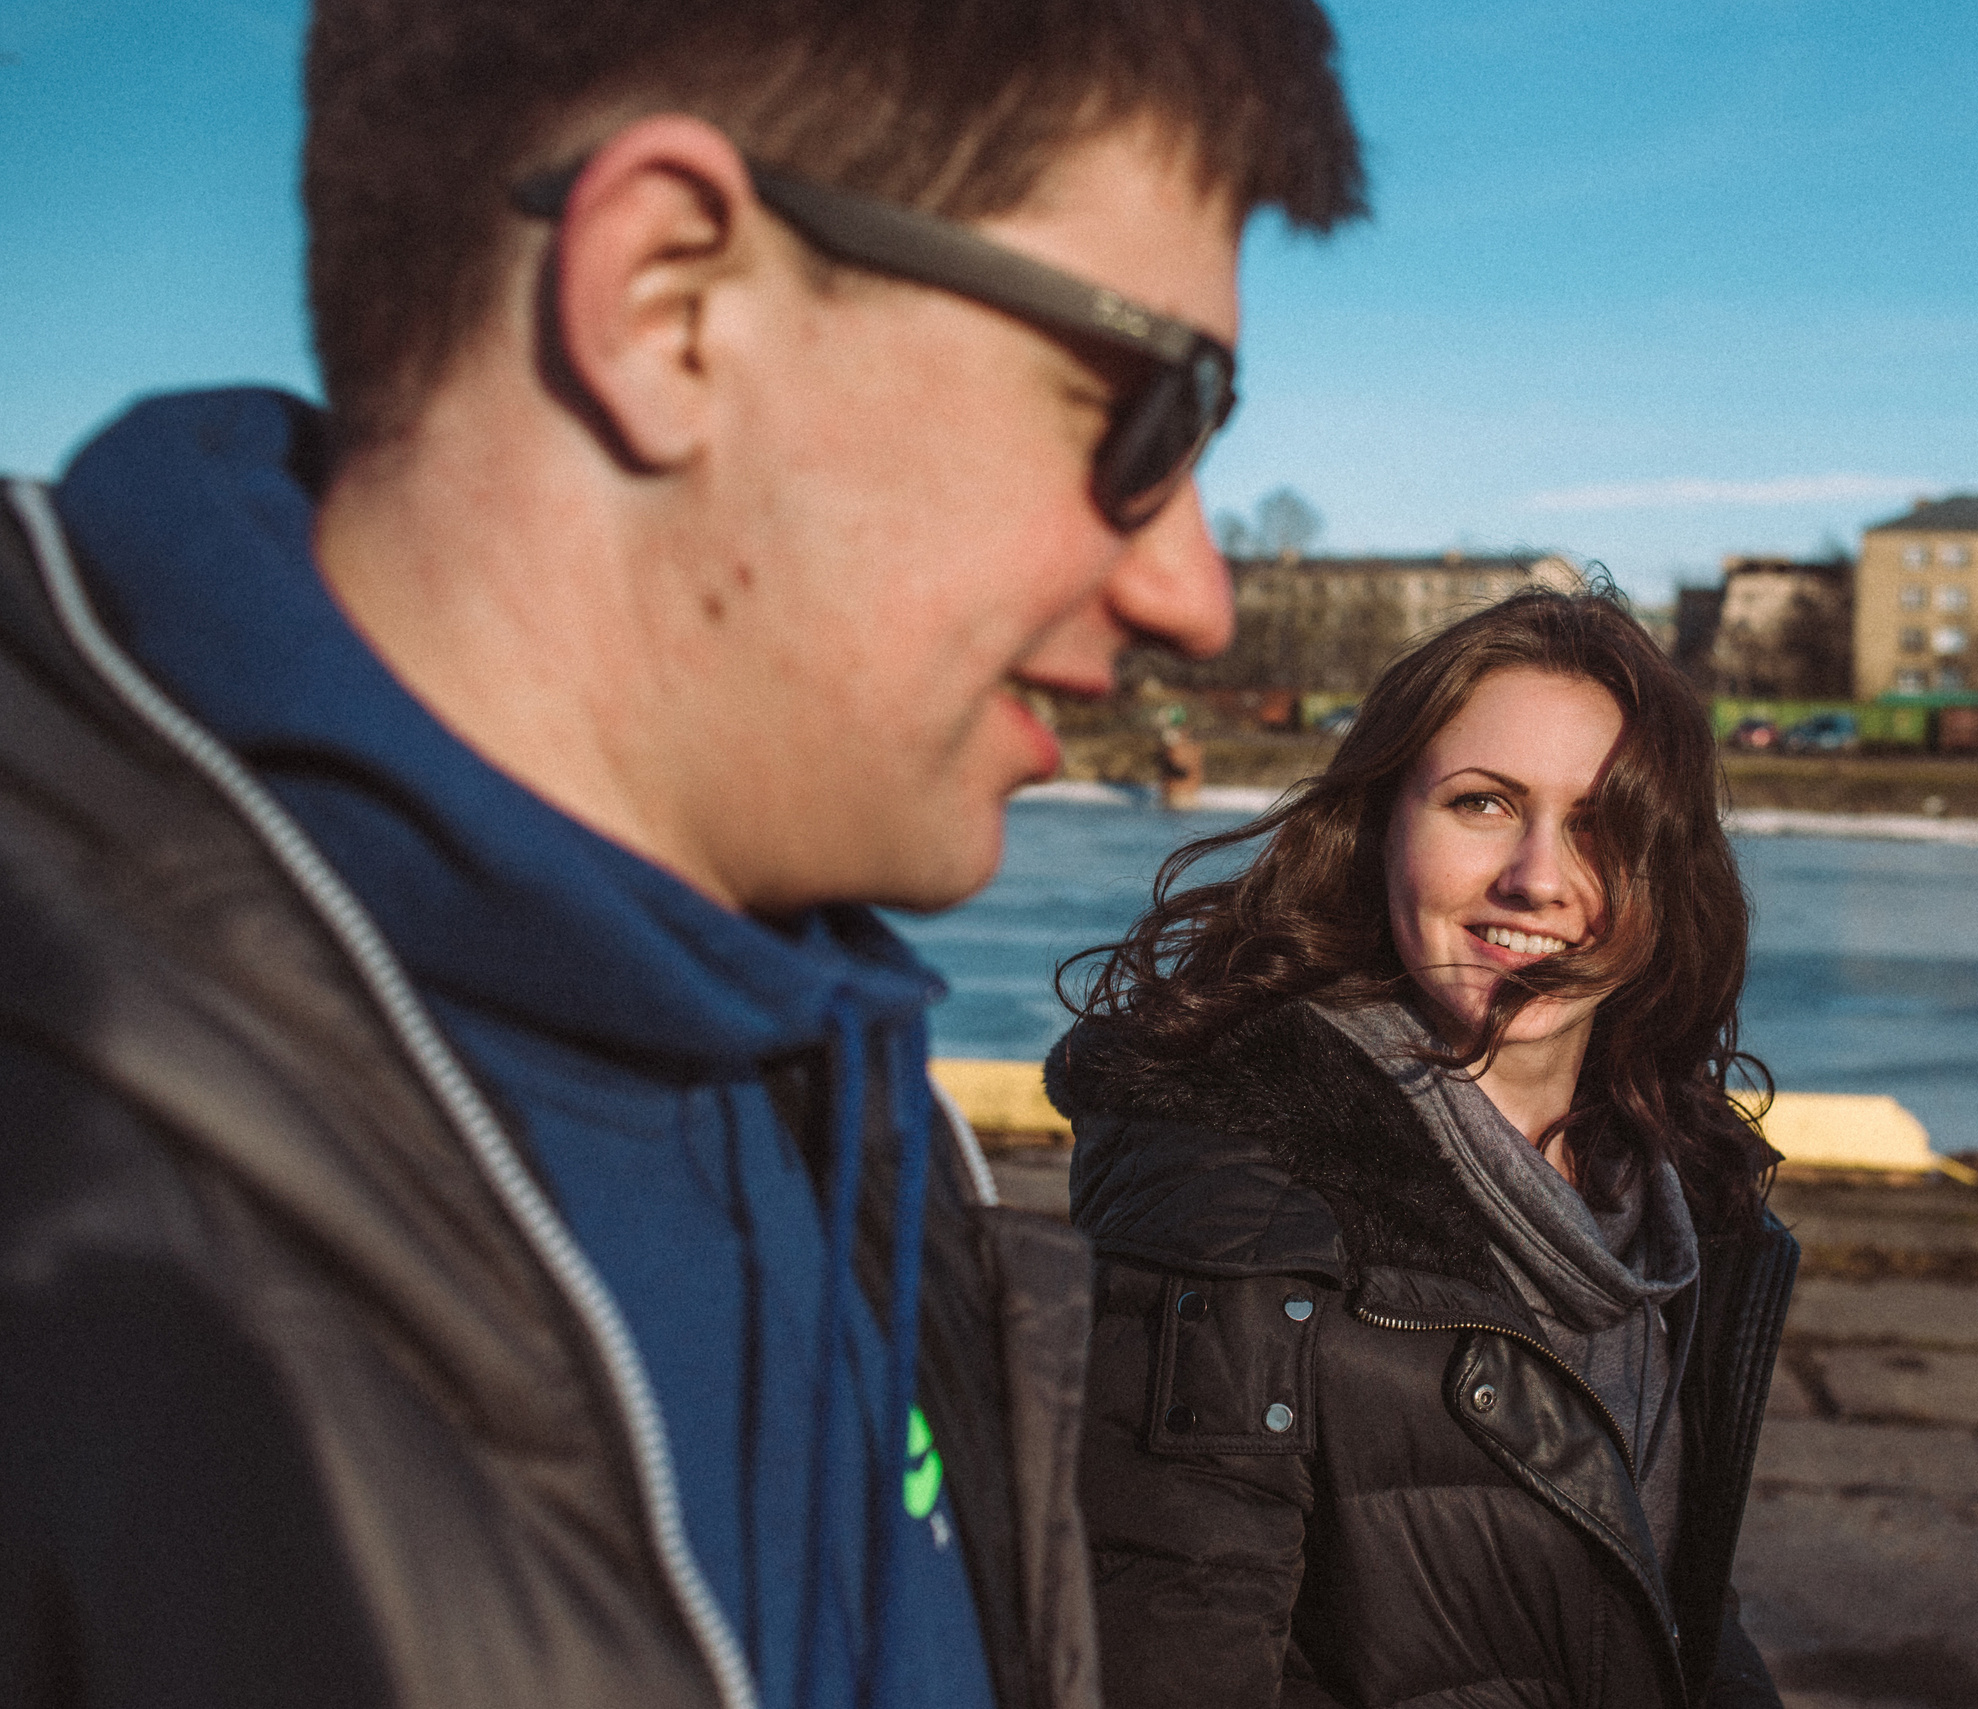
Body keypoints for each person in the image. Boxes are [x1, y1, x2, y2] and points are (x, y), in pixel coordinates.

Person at [0, 4, 1362, 1707]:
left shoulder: (844, 1073)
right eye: (1148, 409)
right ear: (670, 302)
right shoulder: (62, 1234)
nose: (1195, 593)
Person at [1047, 586, 1797, 1708]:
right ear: (1379, 824)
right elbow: (1173, 1645)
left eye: (1603, 824)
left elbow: (1678, 1607)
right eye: (1484, 803)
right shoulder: (1229, 1197)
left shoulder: (1681, 1199)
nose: (1539, 878)